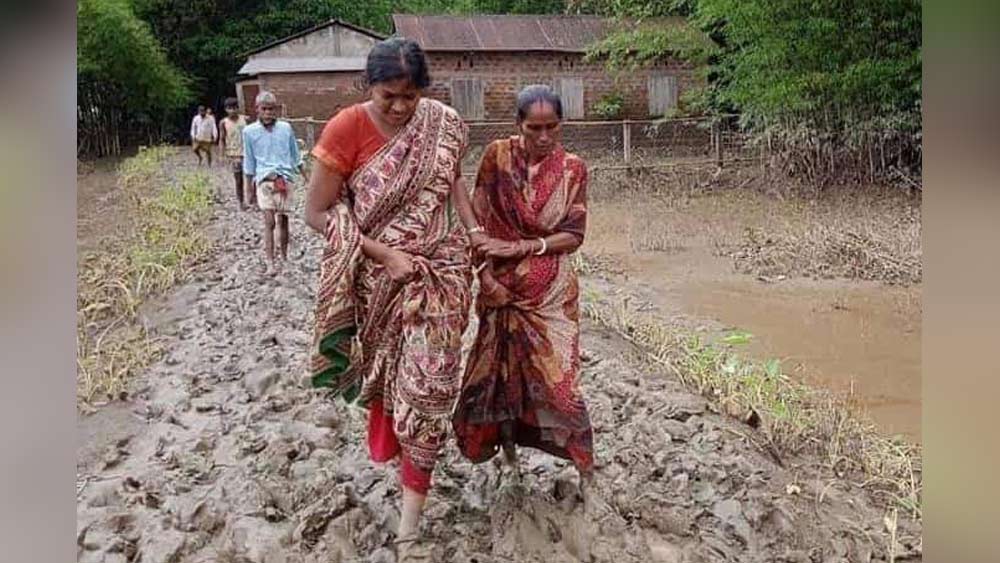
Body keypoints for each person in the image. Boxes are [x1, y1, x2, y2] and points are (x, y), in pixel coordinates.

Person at [304, 38, 478, 559]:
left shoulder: (442, 123)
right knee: (391, 386)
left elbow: (453, 181)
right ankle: (402, 457)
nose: (401, 107)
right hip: (378, 284)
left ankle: (409, 526)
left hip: (441, 277)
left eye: (411, 96)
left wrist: (474, 232)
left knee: (431, 388)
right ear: (368, 87)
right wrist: (384, 255)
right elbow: (317, 213)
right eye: (389, 97)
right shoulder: (345, 128)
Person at [452, 84, 595, 495]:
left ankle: (586, 472)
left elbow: (574, 235)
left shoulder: (573, 169)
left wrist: (523, 247)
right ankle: (510, 455)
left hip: (551, 299)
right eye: (535, 128)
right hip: (499, 291)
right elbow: (479, 226)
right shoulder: (496, 157)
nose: (544, 136)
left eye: (552, 127)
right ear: (518, 124)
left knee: (562, 390)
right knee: (499, 378)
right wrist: (486, 278)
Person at [242, 91, 306, 274]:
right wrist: (249, 190)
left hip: (284, 179)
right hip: (264, 180)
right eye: (264, 109)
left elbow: (295, 155)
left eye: (271, 109)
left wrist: (307, 177)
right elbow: (249, 162)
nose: (268, 113)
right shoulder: (249, 132)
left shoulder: (285, 128)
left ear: (276, 109)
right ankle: (270, 262)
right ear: (257, 109)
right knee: (269, 222)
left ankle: (284, 257)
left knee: (283, 220)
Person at [219, 98, 251, 209]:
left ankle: (253, 199)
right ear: (226, 109)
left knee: (252, 177)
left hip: (247, 153)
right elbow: (222, 139)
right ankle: (241, 202)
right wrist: (222, 154)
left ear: (238, 108)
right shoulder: (223, 123)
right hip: (234, 154)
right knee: (238, 179)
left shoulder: (245, 120)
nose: (232, 111)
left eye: (234, 108)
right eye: (229, 108)